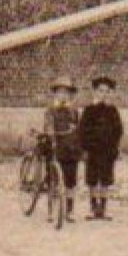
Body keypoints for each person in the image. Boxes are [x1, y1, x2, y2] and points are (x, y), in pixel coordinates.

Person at [79, 75, 124, 220]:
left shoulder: (113, 111)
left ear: (110, 93)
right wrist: (85, 148)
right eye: (100, 91)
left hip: (107, 151)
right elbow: (83, 130)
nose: (103, 94)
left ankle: (103, 208)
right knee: (92, 179)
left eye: (106, 91)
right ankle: (93, 207)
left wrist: (115, 147)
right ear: (95, 92)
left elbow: (118, 130)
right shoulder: (89, 110)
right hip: (92, 150)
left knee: (105, 179)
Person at [43, 76, 83, 221]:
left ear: (70, 95)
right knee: (52, 179)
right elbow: (48, 124)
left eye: (66, 93)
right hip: (55, 147)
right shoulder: (51, 110)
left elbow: (78, 127)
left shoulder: (73, 110)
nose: (63, 95)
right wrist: (50, 131)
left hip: (70, 148)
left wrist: (76, 131)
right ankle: (51, 210)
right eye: (60, 92)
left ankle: (70, 210)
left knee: (71, 181)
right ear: (55, 94)